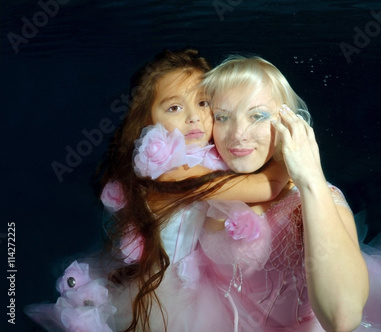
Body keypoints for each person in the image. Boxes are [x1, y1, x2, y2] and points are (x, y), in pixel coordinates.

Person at [160, 55, 381, 332]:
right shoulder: (207, 183)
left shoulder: (316, 197)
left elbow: (342, 319)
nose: (237, 134)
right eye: (223, 117)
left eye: (257, 115)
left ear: (287, 121)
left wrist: (310, 181)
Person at [24, 48, 290, 332]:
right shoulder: (171, 172)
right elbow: (265, 187)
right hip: (164, 293)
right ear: (148, 120)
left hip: (193, 278)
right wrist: (290, 157)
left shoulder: (204, 159)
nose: (194, 117)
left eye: (203, 102)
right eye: (174, 107)